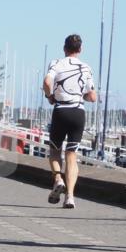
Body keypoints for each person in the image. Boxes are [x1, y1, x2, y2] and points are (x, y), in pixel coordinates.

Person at [43, 34, 96, 209]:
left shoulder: (56, 63)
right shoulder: (86, 67)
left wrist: (50, 96)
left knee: (55, 151)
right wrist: (82, 95)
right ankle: (70, 197)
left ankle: (58, 179)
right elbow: (92, 96)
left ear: (64, 48)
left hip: (61, 111)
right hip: (78, 113)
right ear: (80, 49)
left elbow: (47, 82)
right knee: (71, 156)